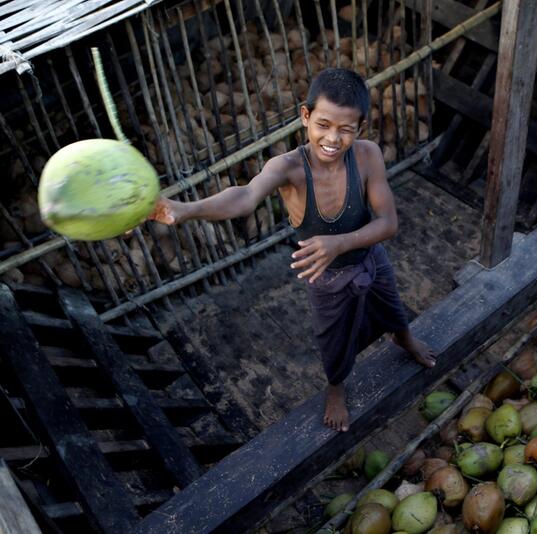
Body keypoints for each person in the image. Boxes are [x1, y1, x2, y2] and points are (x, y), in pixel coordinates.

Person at [148, 68, 435, 432]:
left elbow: (388, 223)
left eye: (346, 129)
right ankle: (336, 387)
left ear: (360, 128)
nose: (333, 138)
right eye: (323, 124)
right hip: (324, 276)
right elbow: (245, 196)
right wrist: (185, 210)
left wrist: (341, 242)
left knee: (392, 305)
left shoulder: (367, 156)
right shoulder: (287, 168)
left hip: (368, 257)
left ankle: (404, 338)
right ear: (305, 117)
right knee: (333, 342)